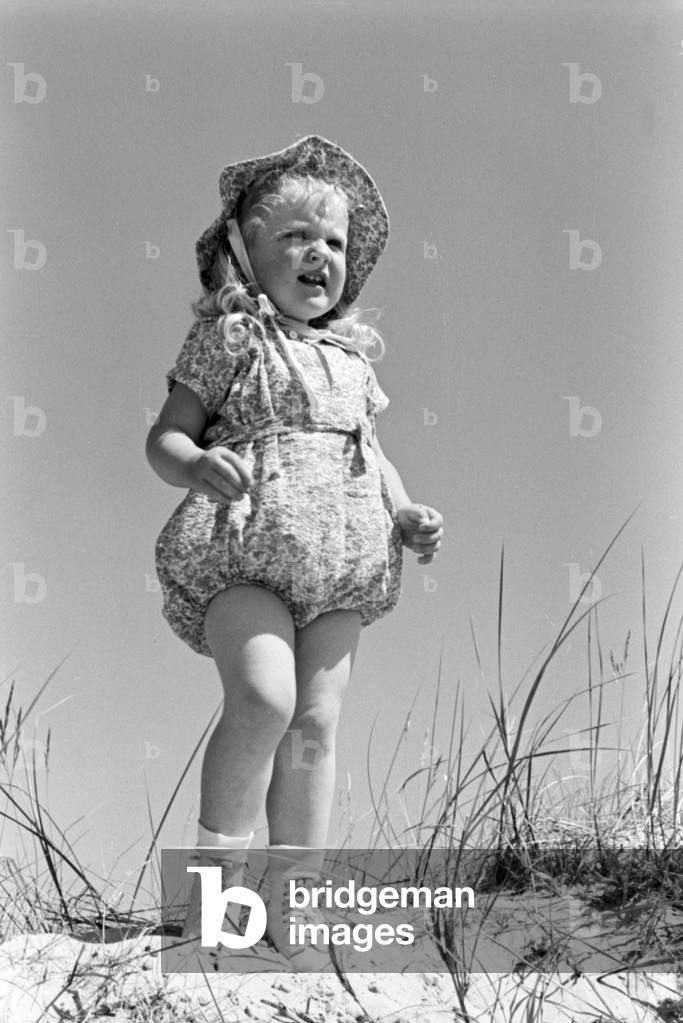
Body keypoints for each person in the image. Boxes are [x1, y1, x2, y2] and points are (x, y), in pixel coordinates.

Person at [146, 135, 444, 969]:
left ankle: (293, 903)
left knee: (314, 725)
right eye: (295, 236)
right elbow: (166, 436)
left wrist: (405, 509)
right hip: (245, 546)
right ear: (244, 256)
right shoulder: (230, 340)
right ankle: (217, 893)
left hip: (344, 557)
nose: (321, 253)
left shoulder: (351, 362)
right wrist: (195, 464)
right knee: (264, 698)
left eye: (336, 242)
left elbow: (371, 453)